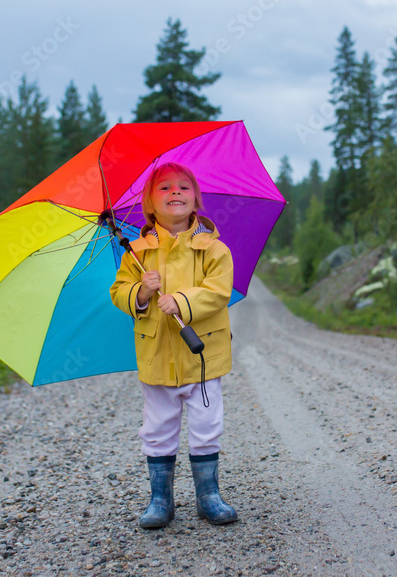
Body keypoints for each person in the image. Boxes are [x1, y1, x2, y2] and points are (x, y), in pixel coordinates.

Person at [110, 161, 238, 529]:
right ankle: (160, 499)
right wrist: (142, 292)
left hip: (202, 356)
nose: (175, 192)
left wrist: (180, 302)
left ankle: (208, 495)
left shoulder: (214, 250)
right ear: (149, 203)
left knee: (206, 422)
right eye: (164, 188)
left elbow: (217, 292)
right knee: (158, 426)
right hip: (157, 355)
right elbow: (119, 293)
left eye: (183, 187)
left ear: (196, 198)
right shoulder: (137, 252)